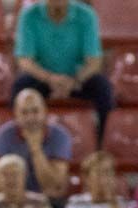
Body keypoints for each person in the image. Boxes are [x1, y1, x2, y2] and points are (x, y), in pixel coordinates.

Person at [12, 0, 112, 136]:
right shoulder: (29, 15)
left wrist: (74, 81)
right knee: (20, 89)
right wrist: (50, 79)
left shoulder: (87, 15)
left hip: (77, 79)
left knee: (103, 88)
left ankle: (102, 143)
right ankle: (20, 140)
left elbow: (94, 61)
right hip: (42, 79)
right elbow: (24, 60)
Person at [0, 89, 70, 200]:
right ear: (15, 113)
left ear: (45, 111)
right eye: (24, 112)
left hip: (48, 202)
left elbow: (54, 185)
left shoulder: (60, 135)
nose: (30, 118)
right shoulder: (2, 135)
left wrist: (36, 149)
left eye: (35, 111)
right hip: (12, 200)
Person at [64, 151, 138, 208]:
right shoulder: (76, 202)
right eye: (99, 173)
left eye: (108, 172)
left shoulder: (121, 203)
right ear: (86, 178)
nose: (104, 178)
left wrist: (111, 201)